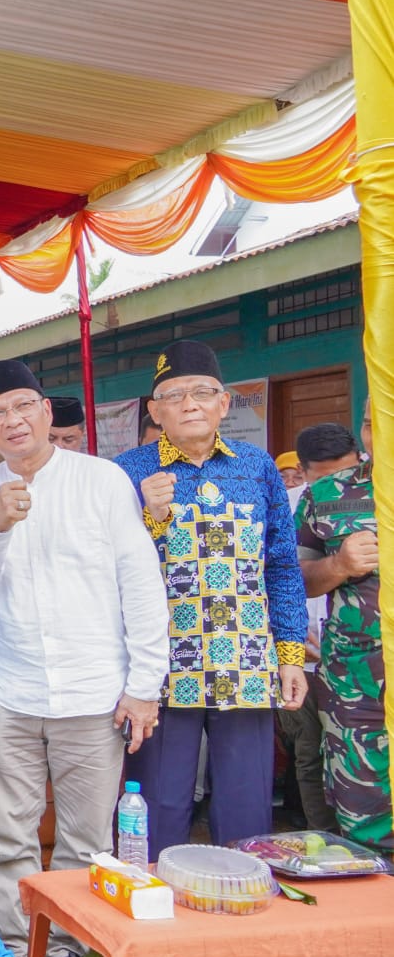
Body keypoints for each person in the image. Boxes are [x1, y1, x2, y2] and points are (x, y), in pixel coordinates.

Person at [0, 359, 168, 957]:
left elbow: (140, 583)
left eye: (24, 406)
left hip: (94, 692)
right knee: (9, 837)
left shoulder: (101, 481)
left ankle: (72, 953)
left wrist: (143, 687)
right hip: (9, 694)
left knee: (86, 839)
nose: (13, 421)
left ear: (47, 412)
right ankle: (15, 954)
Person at [114, 340, 307, 858]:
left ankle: (240, 910)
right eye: (172, 396)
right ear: (154, 412)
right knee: (156, 801)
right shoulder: (126, 472)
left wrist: (289, 656)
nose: (189, 404)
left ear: (225, 403)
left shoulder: (257, 466)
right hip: (159, 664)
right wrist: (148, 517)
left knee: (246, 805)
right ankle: (151, 905)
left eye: (202, 392)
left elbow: (282, 565)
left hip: (243, 659)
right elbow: (108, 569)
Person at [297, 402, 389, 851]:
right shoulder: (328, 493)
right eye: (370, 423)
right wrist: (340, 565)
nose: (377, 432)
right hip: (358, 688)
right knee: (363, 815)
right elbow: (296, 580)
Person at [277, 423, 356, 834]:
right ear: (305, 472)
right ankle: (324, 839)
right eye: (327, 477)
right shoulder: (298, 504)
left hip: (361, 662)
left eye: (347, 471)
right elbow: (286, 576)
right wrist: (289, 639)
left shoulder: (373, 497)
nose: (339, 485)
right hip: (306, 658)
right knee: (312, 754)